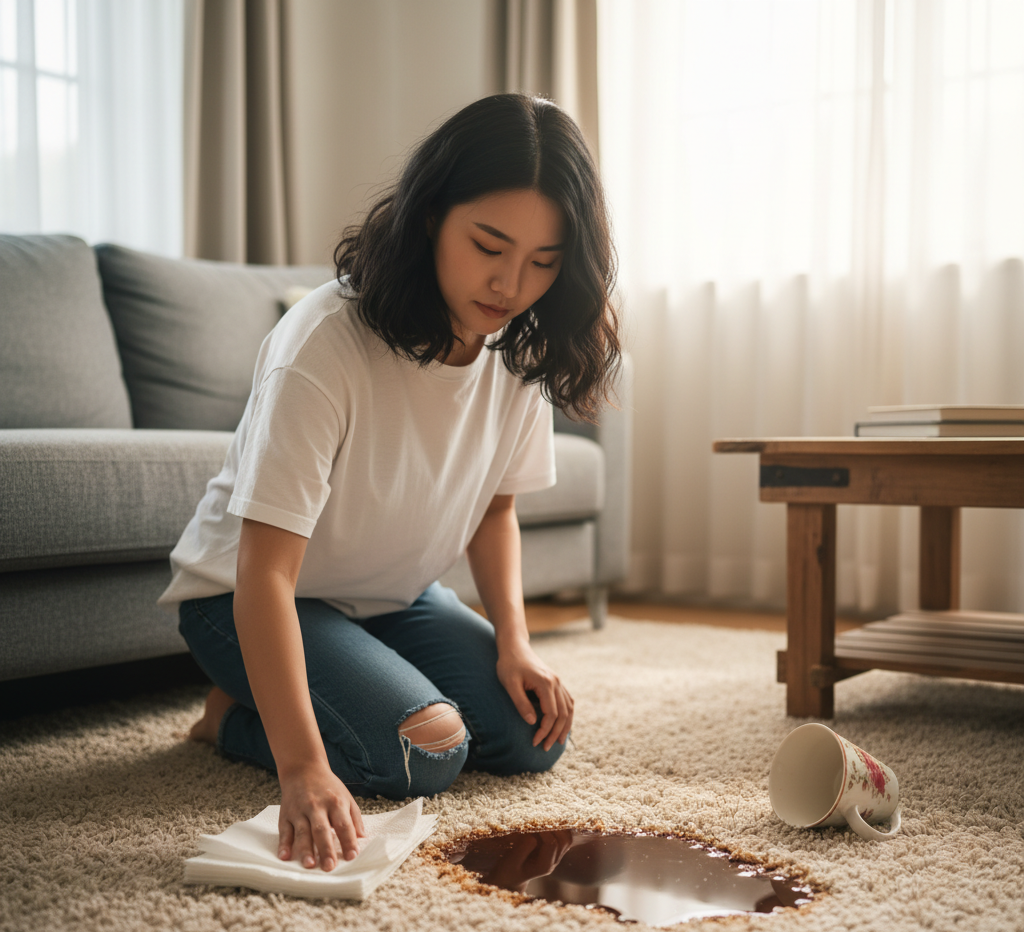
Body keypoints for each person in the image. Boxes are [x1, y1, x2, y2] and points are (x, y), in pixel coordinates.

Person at [159, 93, 621, 876]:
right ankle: (231, 720)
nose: (510, 284)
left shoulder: (512, 354)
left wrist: (516, 643)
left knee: (531, 734)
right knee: (426, 753)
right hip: (251, 600)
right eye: (489, 245)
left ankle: (313, 690)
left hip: (392, 599)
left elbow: (495, 508)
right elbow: (264, 572)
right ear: (431, 215)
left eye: (544, 262)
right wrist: (303, 765)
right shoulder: (326, 343)